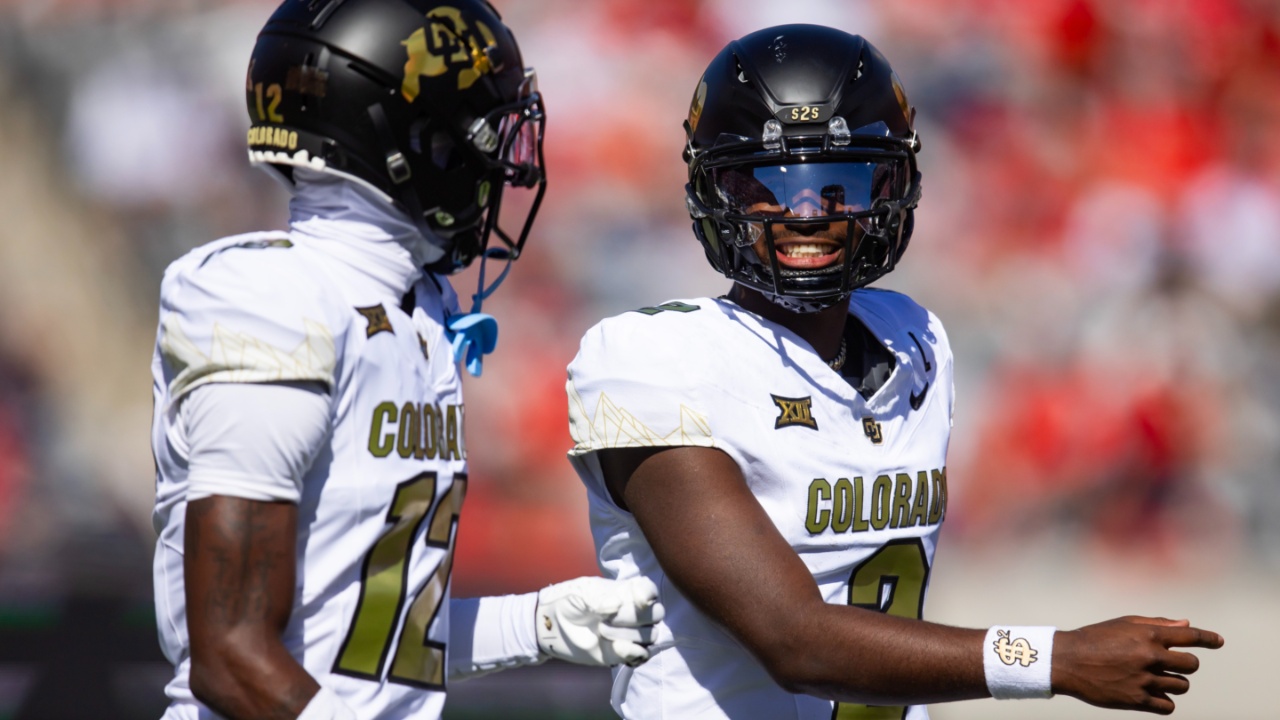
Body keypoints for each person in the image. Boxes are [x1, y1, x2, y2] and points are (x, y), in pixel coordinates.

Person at [564, 24, 1223, 720]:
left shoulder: (914, 339)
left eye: (838, 182)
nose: (807, 213)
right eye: (767, 183)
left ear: (890, 185)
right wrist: (1053, 659)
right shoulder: (651, 360)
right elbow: (795, 643)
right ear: (716, 190)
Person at [150, 2, 662, 719]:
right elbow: (231, 657)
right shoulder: (274, 296)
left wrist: (539, 622)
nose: (500, 164)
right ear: (407, 139)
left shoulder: (418, 311)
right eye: (478, 135)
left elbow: (370, 640)